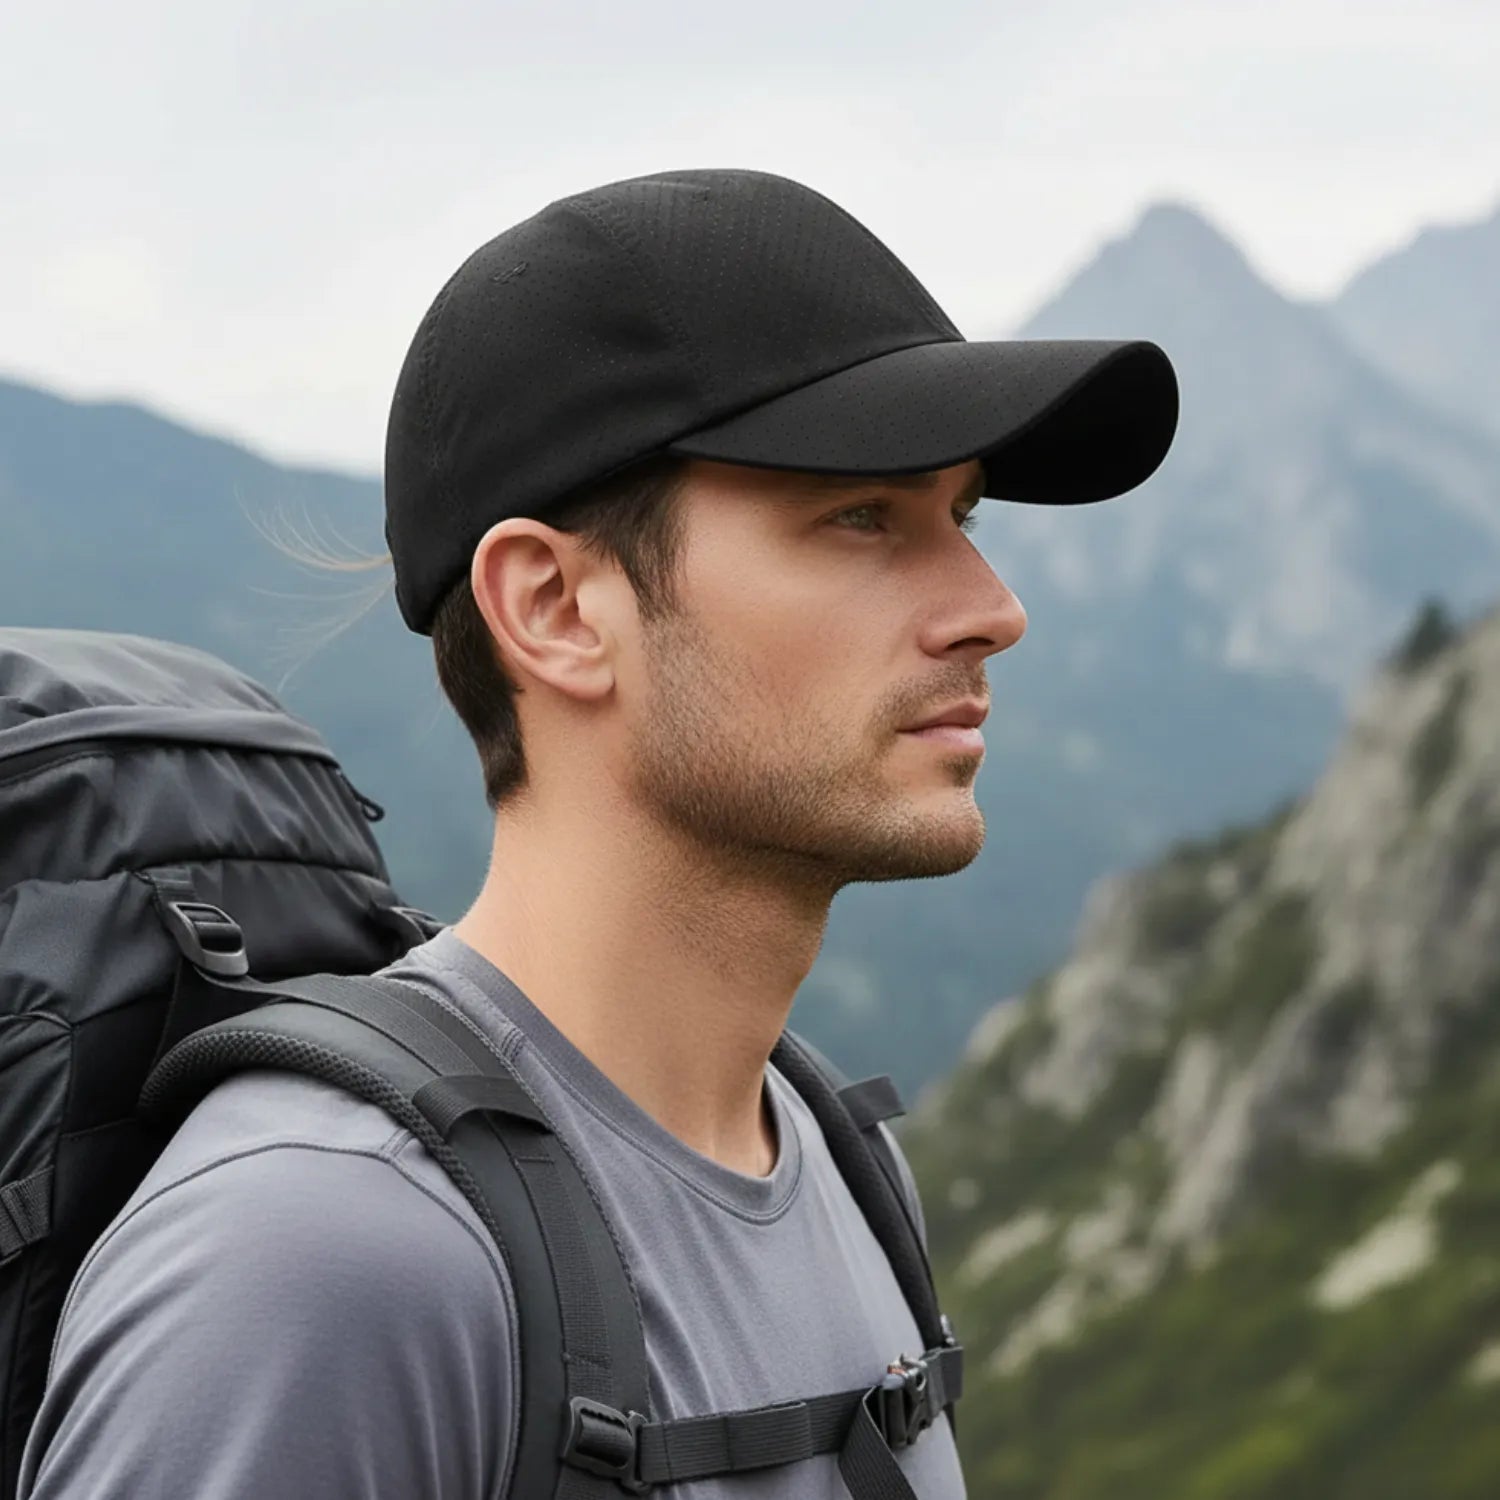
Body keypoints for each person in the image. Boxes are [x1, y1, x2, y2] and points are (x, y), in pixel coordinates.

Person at [18, 167, 1177, 1498]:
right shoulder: (321, 1259)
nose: (992, 608)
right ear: (556, 608)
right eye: (861, 516)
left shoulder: (841, 1166)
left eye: (958, 515)